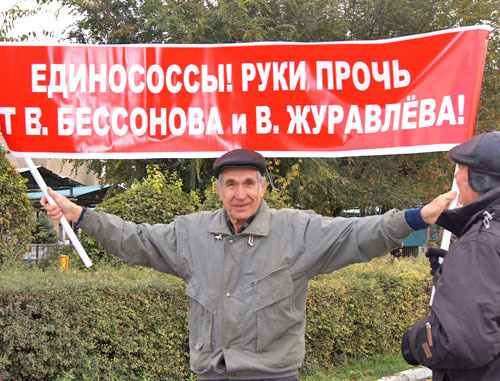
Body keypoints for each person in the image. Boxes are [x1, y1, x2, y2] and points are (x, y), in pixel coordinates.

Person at [42, 148, 455, 381]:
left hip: (272, 376)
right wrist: (80, 215)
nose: (241, 193)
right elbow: (137, 240)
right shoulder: (191, 233)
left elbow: (357, 235)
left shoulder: (299, 232)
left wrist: (416, 217)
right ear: (219, 189)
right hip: (210, 374)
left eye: (249, 183)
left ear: (262, 186)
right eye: (231, 184)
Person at [401, 131, 500, 380]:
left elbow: (464, 341)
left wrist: (415, 341)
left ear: (479, 180)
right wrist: (451, 279)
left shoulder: (481, 243)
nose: (456, 177)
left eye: (461, 170)